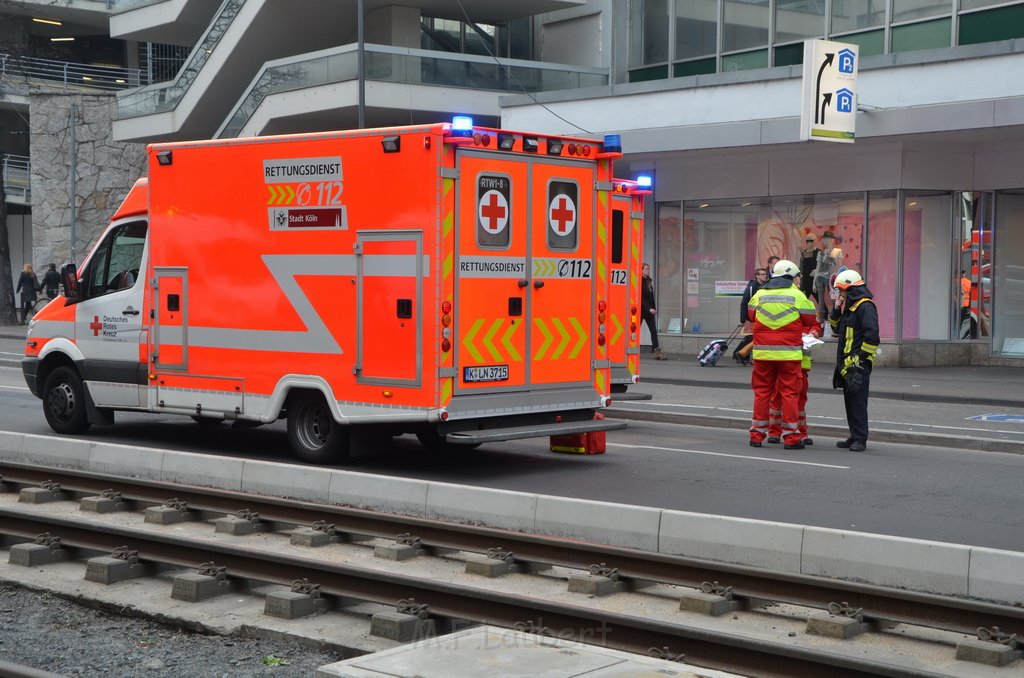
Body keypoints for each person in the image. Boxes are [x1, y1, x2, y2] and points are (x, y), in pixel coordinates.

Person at [747, 260, 819, 449]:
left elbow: (751, 316)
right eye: (797, 277)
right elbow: (810, 319)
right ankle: (791, 437)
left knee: (762, 394)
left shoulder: (759, 294)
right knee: (789, 394)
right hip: (789, 356)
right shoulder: (797, 295)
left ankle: (756, 435)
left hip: (763, 355)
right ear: (793, 276)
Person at [764, 271, 818, 446]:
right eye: (797, 277)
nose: (800, 281)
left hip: (799, 359)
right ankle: (775, 431)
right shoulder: (793, 297)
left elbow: (814, 323)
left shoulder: (802, 298)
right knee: (779, 397)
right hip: (787, 357)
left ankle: (800, 432)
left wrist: (812, 333)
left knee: (798, 399)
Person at [830, 269, 879, 452]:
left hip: (857, 364)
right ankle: (854, 435)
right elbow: (836, 329)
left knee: (858, 402)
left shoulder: (865, 307)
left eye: (842, 290)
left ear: (850, 288)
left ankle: (860, 438)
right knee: (850, 401)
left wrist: (861, 361)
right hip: (846, 364)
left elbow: (872, 337)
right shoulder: (850, 307)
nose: (840, 294)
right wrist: (836, 309)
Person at [733, 267, 768, 364]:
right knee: (757, 337)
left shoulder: (766, 286)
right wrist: (742, 320)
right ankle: (743, 354)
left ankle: (741, 354)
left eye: (765, 274)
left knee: (755, 336)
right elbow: (744, 303)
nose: (765, 276)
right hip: (753, 317)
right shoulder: (751, 287)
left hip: (763, 316)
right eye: (762, 274)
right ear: (757, 276)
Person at [812, 232, 843, 323]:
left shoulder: (837, 251)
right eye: (825, 238)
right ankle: (822, 323)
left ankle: (835, 320)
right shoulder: (820, 253)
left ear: (832, 239)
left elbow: (839, 267)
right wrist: (814, 281)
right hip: (820, 278)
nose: (827, 240)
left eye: (829, 238)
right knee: (820, 302)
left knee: (834, 300)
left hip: (831, 278)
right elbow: (817, 268)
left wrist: (838, 281)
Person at [641, 262, 665, 360]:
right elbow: (641, 298)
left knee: (653, 331)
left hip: (650, 311)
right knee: (634, 330)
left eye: (648, 269)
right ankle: (628, 349)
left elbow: (651, 297)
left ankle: (657, 351)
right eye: (646, 269)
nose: (648, 270)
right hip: (642, 310)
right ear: (641, 270)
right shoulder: (639, 281)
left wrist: (653, 308)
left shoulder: (648, 281)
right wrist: (648, 308)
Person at [799, 234, 817, 299]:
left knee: (820, 300)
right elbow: (801, 265)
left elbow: (823, 267)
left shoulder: (819, 252)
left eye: (811, 241)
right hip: (805, 280)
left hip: (815, 281)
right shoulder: (804, 253)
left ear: (815, 241)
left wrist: (817, 271)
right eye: (807, 241)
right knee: (804, 299)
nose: (809, 243)